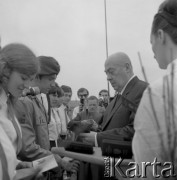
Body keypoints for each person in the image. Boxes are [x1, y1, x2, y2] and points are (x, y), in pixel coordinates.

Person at [133, 0, 177, 179]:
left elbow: (148, 171)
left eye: (151, 42)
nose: (152, 51)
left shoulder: (159, 93)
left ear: (161, 35)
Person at [14, 56, 79, 179]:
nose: (53, 83)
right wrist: (59, 162)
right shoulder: (24, 102)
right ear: (37, 76)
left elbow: (41, 144)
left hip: (40, 170)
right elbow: (26, 150)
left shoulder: (37, 101)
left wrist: (54, 163)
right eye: (50, 79)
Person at [80, 52, 148, 148]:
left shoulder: (143, 90)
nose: (108, 78)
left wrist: (97, 138)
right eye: (106, 73)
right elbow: (109, 128)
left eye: (111, 72)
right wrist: (95, 129)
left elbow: (137, 130)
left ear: (127, 68)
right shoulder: (115, 99)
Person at [0, 43, 42, 179]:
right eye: (23, 78)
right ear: (5, 70)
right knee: (110, 170)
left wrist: (18, 164)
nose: (27, 85)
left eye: (29, 79)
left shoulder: (7, 104)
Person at [48, 83, 64, 148]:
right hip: (48, 144)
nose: (56, 99)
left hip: (56, 143)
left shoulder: (54, 110)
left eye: (57, 96)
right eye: (54, 95)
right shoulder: (43, 110)